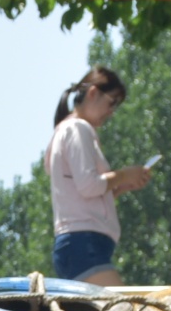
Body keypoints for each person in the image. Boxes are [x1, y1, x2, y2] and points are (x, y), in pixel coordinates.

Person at [42, 65, 153, 285]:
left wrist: (120, 187)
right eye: (112, 102)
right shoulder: (77, 129)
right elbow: (89, 185)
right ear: (93, 92)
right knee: (126, 310)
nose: (111, 112)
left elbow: (81, 194)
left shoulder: (63, 132)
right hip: (84, 245)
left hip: (81, 245)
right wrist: (123, 175)